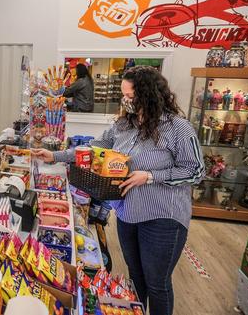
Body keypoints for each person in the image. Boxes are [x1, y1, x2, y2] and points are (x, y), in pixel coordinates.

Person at [33, 66, 205, 315]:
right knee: (135, 276)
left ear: (150, 95)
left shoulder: (178, 128)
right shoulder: (124, 125)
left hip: (163, 218)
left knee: (156, 283)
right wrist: (55, 155)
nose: (126, 101)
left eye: (131, 96)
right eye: (124, 95)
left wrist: (150, 176)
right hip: (127, 213)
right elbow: (93, 149)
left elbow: (196, 171)